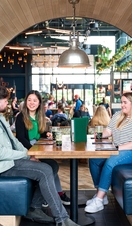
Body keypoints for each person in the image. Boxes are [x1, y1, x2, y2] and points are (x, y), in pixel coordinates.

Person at [0, 86, 79, 226]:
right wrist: (26, 154)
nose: (8, 104)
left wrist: (28, 155)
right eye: (5, 101)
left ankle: (35, 208)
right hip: (6, 165)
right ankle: (62, 219)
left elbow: (15, 141)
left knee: (51, 165)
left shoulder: (1, 118)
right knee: (46, 169)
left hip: (13, 160)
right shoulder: (19, 117)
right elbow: (2, 153)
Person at [15, 90, 70, 207]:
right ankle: (48, 197)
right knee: (51, 166)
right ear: (25, 102)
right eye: (29, 100)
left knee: (52, 165)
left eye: (35, 100)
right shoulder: (21, 117)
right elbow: (21, 138)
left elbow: (38, 134)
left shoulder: (40, 117)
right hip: (26, 151)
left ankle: (55, 194)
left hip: (36, 149)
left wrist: (46, 134)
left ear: (39, 103)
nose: (31, 103)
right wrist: (32, 154)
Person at [85, 92, 132, 214]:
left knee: (111, 161)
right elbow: (109, 130)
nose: (122, 105)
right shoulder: (117, 115)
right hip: (117, 149)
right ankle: (101, 195)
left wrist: (117, 147)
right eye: (121, 102)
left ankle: (99, 200)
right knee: (94, 159)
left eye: (124, 102)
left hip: (129, 151)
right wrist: (100, 135)